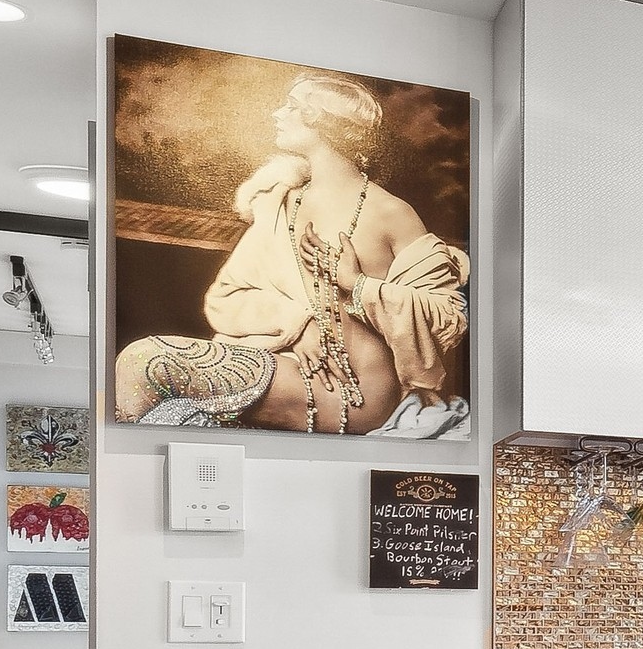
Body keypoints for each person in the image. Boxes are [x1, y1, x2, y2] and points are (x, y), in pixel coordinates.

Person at [112, 72, 469, 435]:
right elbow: (225, 296)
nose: (278, 114)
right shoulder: (280, 203)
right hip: (290, 367)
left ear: (327, 122)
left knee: (145, 361)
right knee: (165, 400)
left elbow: (446, 317)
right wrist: (299, 325)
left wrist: (356, 284)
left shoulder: (391, 212)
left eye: (293, 107)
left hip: (357, 391)